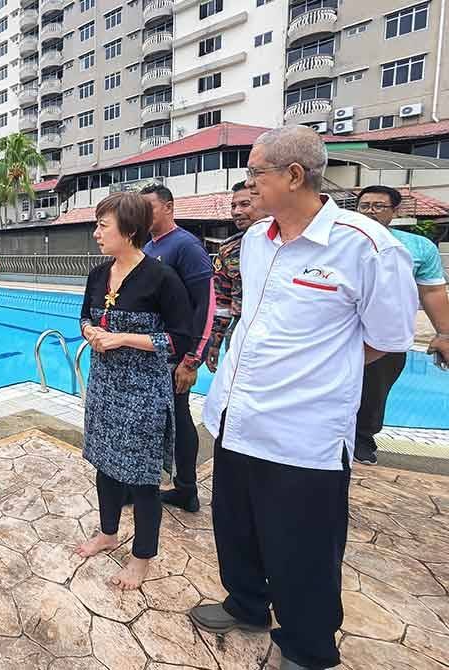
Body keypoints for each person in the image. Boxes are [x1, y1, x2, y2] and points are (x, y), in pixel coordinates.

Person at [191, 126, 417, 670]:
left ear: (294, 176)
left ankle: (308, 647)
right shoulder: (254, 240)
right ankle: (246, 604)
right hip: (239, 419)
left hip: (303, 433)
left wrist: (314, 370)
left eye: (255, 174)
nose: (246, 186)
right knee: (236, 525)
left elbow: (386, 339)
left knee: (304, 549)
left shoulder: (366, 247)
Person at [73, 193, 192, 590]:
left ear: (130, 229)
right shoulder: (98, 274)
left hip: (143, 392)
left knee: (142, 479)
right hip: (105, 387)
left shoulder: (162, 278)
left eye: (102, 226)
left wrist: (122, 338)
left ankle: (142, 557)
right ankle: (108, 533)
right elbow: (85, 317)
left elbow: (178, 339)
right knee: (105, 465)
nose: (96, 234)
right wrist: (91, 332)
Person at [353, 185, 449, 464]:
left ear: (395, 211)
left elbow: (431, 291)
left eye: (378, 206)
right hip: (344, 330)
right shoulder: (341, 240)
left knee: (374, 391)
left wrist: (444, 333)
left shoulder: (417, 247)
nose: (370, 212)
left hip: (387, 334)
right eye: (365, 206)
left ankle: (362, 439)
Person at [139, 183, 214, 513]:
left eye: (149, 208)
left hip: (176, 355)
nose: (144, 215)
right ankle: (150, 482)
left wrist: (192, 358)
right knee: (155, 420)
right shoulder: (146, 244)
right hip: (152, 353)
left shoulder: (186, 246)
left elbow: (206, 305)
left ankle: (187, 489)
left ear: (168, 207)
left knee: (180, 418)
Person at [207, 181, 269, 372]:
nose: (236, 211)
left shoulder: (290, 243)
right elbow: (222, 302)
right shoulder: (228, 249)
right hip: (240, 328)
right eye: (233, 206)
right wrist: (214, 343)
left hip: (277, 330)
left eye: (245, 204)